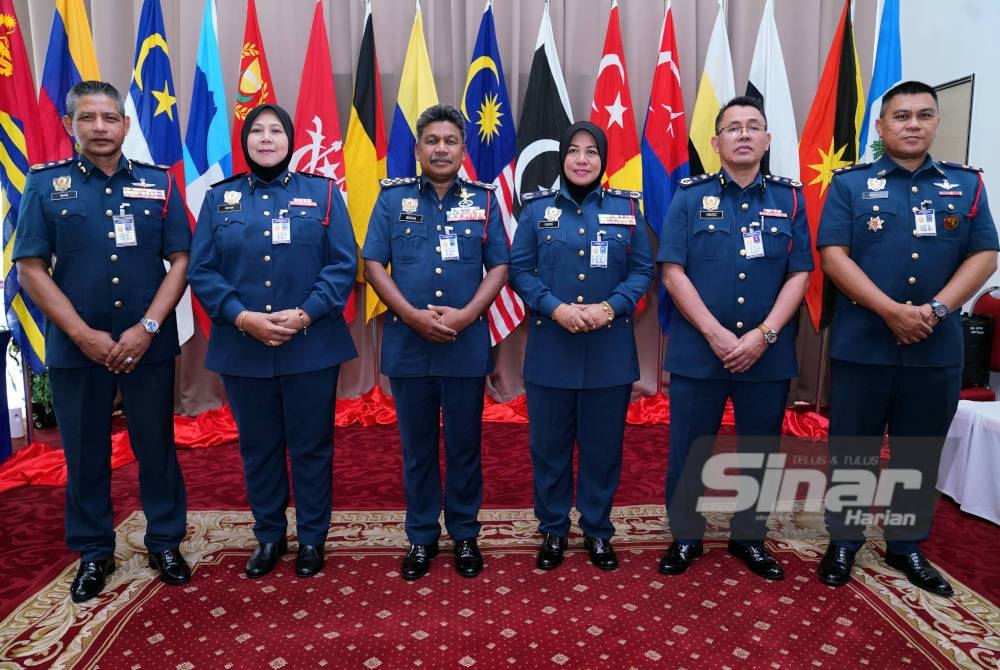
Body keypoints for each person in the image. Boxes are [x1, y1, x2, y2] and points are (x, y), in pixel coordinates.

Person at [816, 80, 997, 596]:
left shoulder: (968, 186)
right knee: (854, 449)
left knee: (920, 450)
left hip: (935, 348)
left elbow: (984, 256)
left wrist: (937, 309)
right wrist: (891, 311)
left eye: (923, 115)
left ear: (936, 123)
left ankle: (905, 545)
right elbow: (833, 256)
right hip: (864, 345)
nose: (912, 124)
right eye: (901, 116)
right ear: (881, 126)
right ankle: (844, 541)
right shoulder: (850, 186)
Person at [13, 80, 191, 602]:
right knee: (85, 453)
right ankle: (94, 552)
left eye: (108, 118)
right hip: (75, 348)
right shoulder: (46, 187)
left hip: (148, 345)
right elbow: (30, 268)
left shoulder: (159, 185)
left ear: (125, 125)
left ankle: (165, 541)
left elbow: (181, 260)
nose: (98, 127)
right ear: (70, 126)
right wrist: (82, 334)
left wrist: (148, 328)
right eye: (86, 118)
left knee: (156, 448)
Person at [187, 104, 357, 579]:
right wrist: (243, 318)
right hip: (244, 346)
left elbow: (343, 264)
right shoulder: (219, 199)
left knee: (311, 445)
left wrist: (305, 314)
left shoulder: (322, 193)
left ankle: (312, 538)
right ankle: (268, 535)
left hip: (311, 344)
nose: (266, 139)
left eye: (275, 130)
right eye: (257, 131)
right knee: (258, 447)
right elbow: (202, 270)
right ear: (245, 142)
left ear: (290, 138)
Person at [657, 96, 811, 580]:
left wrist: (764, 336)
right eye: (733, 128)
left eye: (753, 127)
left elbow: (800, 273)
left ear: (767, 140)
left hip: (766, 354)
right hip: (699, 349)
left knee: (760, 449)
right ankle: (686, 536)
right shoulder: (688, 196)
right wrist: (715, 333)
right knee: (690, 447)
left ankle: (750, 538)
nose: (743, 134)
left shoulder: (789, 198)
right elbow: (672, 271)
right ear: (716, 141)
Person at [362, 104, 508, 580]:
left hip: (464, 345)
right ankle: (422, 536)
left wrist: (467, 316)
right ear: (417, 148)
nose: (441, 148)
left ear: (464, 150)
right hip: (409, 344)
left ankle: (465, 535)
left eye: (450, 141)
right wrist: (408, 315)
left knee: (465, 447)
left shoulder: (484, 201)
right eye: (432, 140)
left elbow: (500, 266)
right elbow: (373, 266)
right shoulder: (391, 200)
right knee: (417, 449)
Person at [509, 121, 654, 572]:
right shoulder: (535, 211)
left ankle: (596, 529)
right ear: (562, 158)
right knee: (549, 448)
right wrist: (556, 309)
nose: (582, 159)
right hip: (552, 348)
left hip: (608, 351)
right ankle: (552, 529)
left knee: (601, 448)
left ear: (603, 160)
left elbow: (643, 271)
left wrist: (610, 308)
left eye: (592, 152)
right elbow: (520, 271)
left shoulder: (627, 209)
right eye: (574, 150)